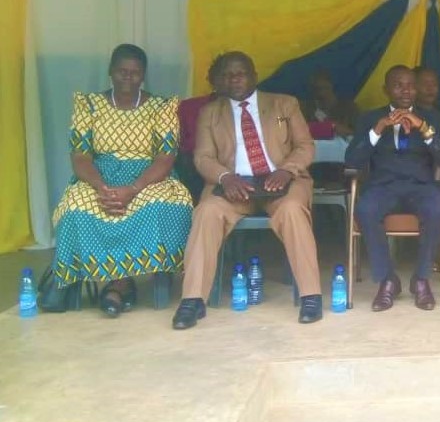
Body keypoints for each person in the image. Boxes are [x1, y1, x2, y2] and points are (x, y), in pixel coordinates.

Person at [171, 52, 322, 329]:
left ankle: (310, 295)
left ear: (254, 75)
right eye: (228, 75)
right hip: (234, 186)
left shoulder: (284, 104)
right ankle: (192, 300)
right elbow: (203, 157)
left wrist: (286, 170)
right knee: (206, 212)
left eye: (240, 72)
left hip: (281, 181)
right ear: (219, 82)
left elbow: (305, 146)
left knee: (291, 210)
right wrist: (225, 177)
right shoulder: (210, 113)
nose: (234, 79)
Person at [49, 43, 192, 317]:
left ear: (143, 75)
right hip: (98, 176)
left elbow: (165, 158)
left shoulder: (162, 107)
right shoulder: (88, 104)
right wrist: (102, 188)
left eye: (135, 73)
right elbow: (80, 157)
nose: (128, 77)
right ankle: (108, 281)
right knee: (76, 208)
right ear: (110, 72)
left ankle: (120, 283)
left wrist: (132, 189)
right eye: (122, 71)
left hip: (149, 177)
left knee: (164, 206)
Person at [345, 65, 440, 312]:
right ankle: (387, 280)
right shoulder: (369, 118)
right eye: (398, 84)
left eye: (410, 85)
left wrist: (422, 127)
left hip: (421, 186)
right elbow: (352, 161)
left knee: (436, 205)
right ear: (386, 89)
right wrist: (378, 129)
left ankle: (421, 280)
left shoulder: (433, 117)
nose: (405, 90)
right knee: (365, 208)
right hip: (383, 187)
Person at [176, 58, 226, 203]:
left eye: (236, 75)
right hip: (196, 172)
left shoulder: (249, 109)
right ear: (210, 79)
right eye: (222, 75)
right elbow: (179, 146)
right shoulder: (189, 107)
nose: (229, 81)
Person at [298, 69, 358, 139]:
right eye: (317, 89)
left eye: (325, 88)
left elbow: (360, 134)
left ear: (331, 86)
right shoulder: (306, 108)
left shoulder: (349, 108)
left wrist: (336, 127)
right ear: (312, 90)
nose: (321, 93)